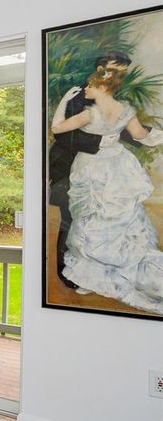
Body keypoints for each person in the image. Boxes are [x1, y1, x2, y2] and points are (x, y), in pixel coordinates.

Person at [50, 54, 163, 313]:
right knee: (87, 218)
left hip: (102, 166)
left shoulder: (99, 104)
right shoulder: (86, 95)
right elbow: (64, 138)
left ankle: (96, 273)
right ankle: (81, 274)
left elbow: (130, 130)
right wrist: (100, 142)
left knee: (100, 219)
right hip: (84, 165)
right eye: (118, 69)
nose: (121, 74)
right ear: (103, 72)